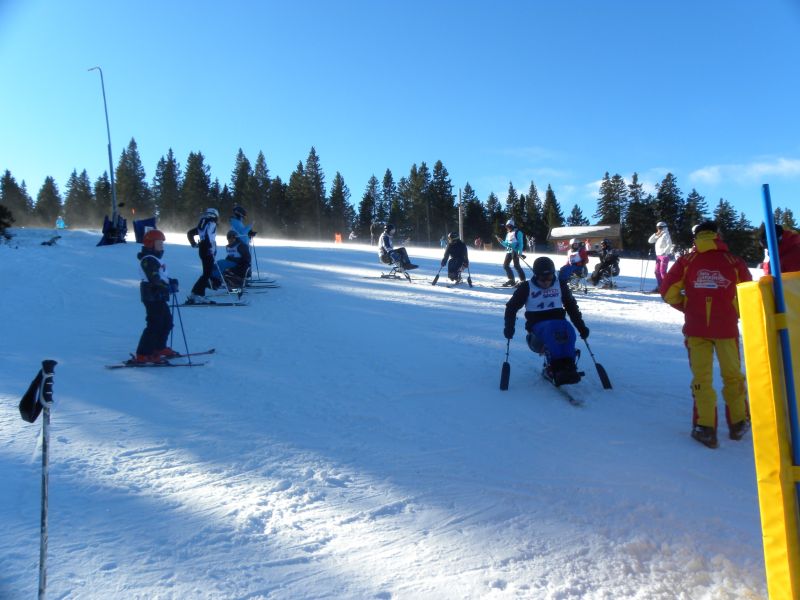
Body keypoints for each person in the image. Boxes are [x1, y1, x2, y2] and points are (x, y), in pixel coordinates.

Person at [660, 221, 753, 449]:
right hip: (726, 329)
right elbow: (749, 296)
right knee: (733, 375)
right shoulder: (734, 261)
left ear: (696, 237)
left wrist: (688, 307)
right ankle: (739, 422)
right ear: (717, 235)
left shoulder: (687, 261)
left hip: (696, 329)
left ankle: (705, 428)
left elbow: (668, 292)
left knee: (702, 379)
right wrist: (733, 312)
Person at [504, 256, 590, 386]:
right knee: (551, 328)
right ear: (535, 275)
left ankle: (569, 365)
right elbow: (511, 307)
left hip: (558, 324)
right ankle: (555, 367)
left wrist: (581, 327)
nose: (546, 282)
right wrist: (509, 327)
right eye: (542, 279)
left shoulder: (560, 286)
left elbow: (571, 307)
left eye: (549, 278)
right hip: (536, 333)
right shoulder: (526, 287)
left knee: (568, 328)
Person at [134, 229, 179, 364]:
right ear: (150, 244)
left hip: (159, 295)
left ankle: (159, 348)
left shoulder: (156, 258)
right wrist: (166, 286)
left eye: (162, 243)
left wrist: (170, 281)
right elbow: (154, 279)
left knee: (167, 322)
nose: (162, 245)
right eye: (159, 243)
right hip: (151, 296)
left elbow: (161, 276)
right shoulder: (148, 259)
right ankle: (143, 354)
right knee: (155, 324)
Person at [186, 208, 220, 304]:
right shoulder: (211, 223)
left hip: (203, 249)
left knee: (206, 273)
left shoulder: (203, 223)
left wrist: (194, 244)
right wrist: (209, 248)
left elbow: (190, 233)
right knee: (207, 274)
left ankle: (195, 294)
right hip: (207, 250)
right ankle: (198, 294)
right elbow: (207, 236)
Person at [495, 219, 526, 287]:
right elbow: (506, 244)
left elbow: (521, 243)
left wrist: (519, 252)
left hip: (515, 252)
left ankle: (523, 281)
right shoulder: (508, 234)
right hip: (509, 251)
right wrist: (501, 241)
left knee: (516, 266)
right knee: (505, 265)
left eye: (509, 226)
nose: (507, 228)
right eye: (507, 226)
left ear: (512, 226)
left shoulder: (518, 232)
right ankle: (511, 280)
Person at [648, 221, 674, 293]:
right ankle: (660, 287)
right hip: (658, 256)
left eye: (660, 227)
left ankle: (667, 288)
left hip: (664, 256)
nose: (658, 229)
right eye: (657, 227)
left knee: (662, 272)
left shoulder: (666, 234)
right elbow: (650, 241)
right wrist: (656, 234)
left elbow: (669, 244)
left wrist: (665, 252)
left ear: (664, 227)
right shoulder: (659, 235)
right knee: (656, 272)